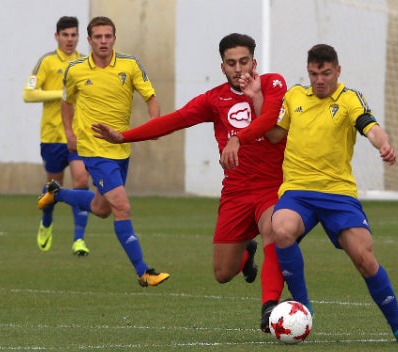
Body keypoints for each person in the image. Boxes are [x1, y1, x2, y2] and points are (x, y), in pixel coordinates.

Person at [92, 33, 286, 332]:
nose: (239, 69)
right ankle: (247, 251)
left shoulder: (273, 83)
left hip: (271, 187)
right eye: (231, 63)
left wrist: (237, 137)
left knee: (273, 229)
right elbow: (175, 120)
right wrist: (124, 136)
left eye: (244, 62)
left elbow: (270, 120)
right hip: (236, 193)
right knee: (222, 273)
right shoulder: (214, 99)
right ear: (222, 67)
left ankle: (270, 308)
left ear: (254, 62)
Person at [265, 44, 398, 345]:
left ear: (338, 71)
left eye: (326, 73)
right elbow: (274, 134)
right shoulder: (295, 97)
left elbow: (370, 127)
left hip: (338, 194)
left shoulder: (349, 98)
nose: (320, 80)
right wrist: (255, 100)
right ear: (308, 72)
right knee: (281, 229)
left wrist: (384, 144)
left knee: (364, 258)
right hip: (298, 191)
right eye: (314, 74)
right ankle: (303, 305)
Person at [36, 16, 169, 287]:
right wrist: (70, 134)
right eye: (98, 37)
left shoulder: (130, 65)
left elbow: (150, 97)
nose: (103, 41)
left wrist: (154, 125)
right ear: (90, 40)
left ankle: (56, 194)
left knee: (101, 208)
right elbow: (66, 103)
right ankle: (143, 271)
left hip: (120, 149)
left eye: (108, 36)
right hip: (93, 150)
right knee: (122, 207)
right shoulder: (75, 70)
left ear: (114, 39)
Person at [23, 16, 90, 256]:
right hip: (52, 135)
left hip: (78, 135)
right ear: (57, 36)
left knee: (81, 181)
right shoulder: (47, 62)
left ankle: (79, 240)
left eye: (74, 35)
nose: (70, 39)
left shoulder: (85, 62)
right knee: (54, 185)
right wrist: (59, 93)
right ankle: (47, 220)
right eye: (65, 35)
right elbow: (28, 94)